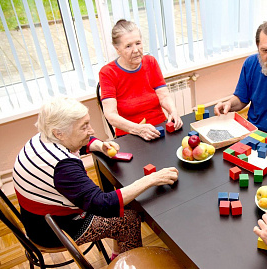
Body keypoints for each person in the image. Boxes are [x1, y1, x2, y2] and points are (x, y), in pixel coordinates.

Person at [12, 97, 179, 258]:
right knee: (129, 220)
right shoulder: (63, 167)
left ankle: (120, 252)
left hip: (35, 220)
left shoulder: (43, 138)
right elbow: (102, 204)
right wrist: (151, 179)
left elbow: (76, 143)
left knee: (124, 206)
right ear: (59, 133)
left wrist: (100, 145)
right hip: (53, 230)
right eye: (84, 127)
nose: (91, 130)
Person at [99, 19, 183, 140]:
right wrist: (138, 129)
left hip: (159, 127)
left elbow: (164, 96)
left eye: (138, 43)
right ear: (117, 49)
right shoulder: (107, 72)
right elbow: (110, 115)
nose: (136, 50)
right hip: (130, 133)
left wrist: (173, 111)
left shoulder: (150, 62)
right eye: (128, 46)